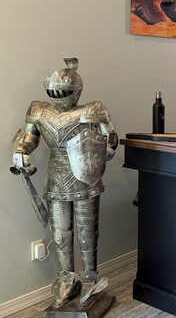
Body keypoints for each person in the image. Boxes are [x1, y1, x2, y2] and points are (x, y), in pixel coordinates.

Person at [11, 58, 118, 308]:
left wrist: (107, 148)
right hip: (56, 176)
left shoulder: (92, 109)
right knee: (60, 234)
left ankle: (89, 277)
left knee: (87, 233)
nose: (58, 97)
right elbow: (30, 137)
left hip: (85, 175)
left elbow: (110, 138)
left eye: (64, 92)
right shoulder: (39, 110)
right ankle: (66, 279)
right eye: (54, 92)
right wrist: (21, 151)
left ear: (77, 91)